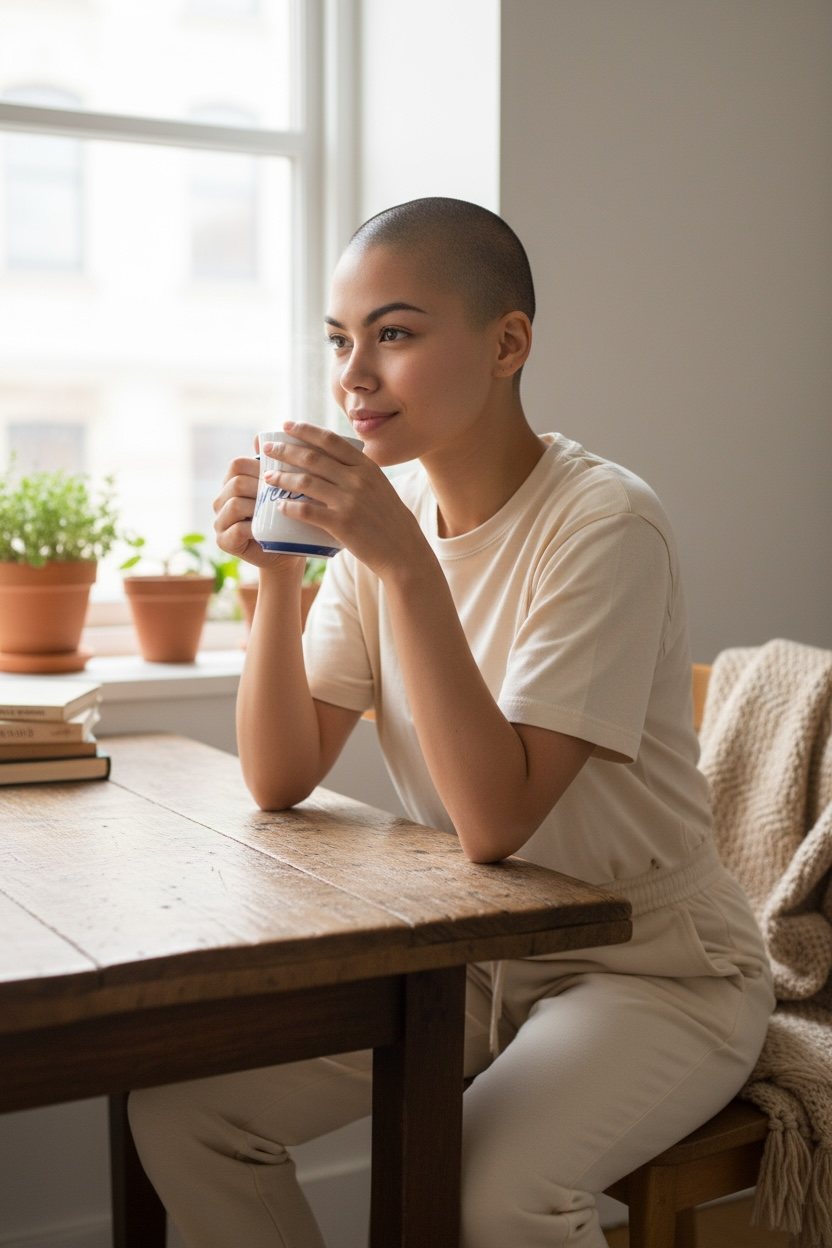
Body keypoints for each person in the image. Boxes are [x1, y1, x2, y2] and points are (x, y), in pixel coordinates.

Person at [129, 197, 774, 1248]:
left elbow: (494, 822)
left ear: (507, 343)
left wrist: (398, 562)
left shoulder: (603, 523)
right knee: (188, 1110)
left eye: (395, 332)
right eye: (340, 341)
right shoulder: (385, 529)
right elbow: (278, 775)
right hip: (473, 958)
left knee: (481, 1183)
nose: (353, 375)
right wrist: (282, 577)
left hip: (652, 964)